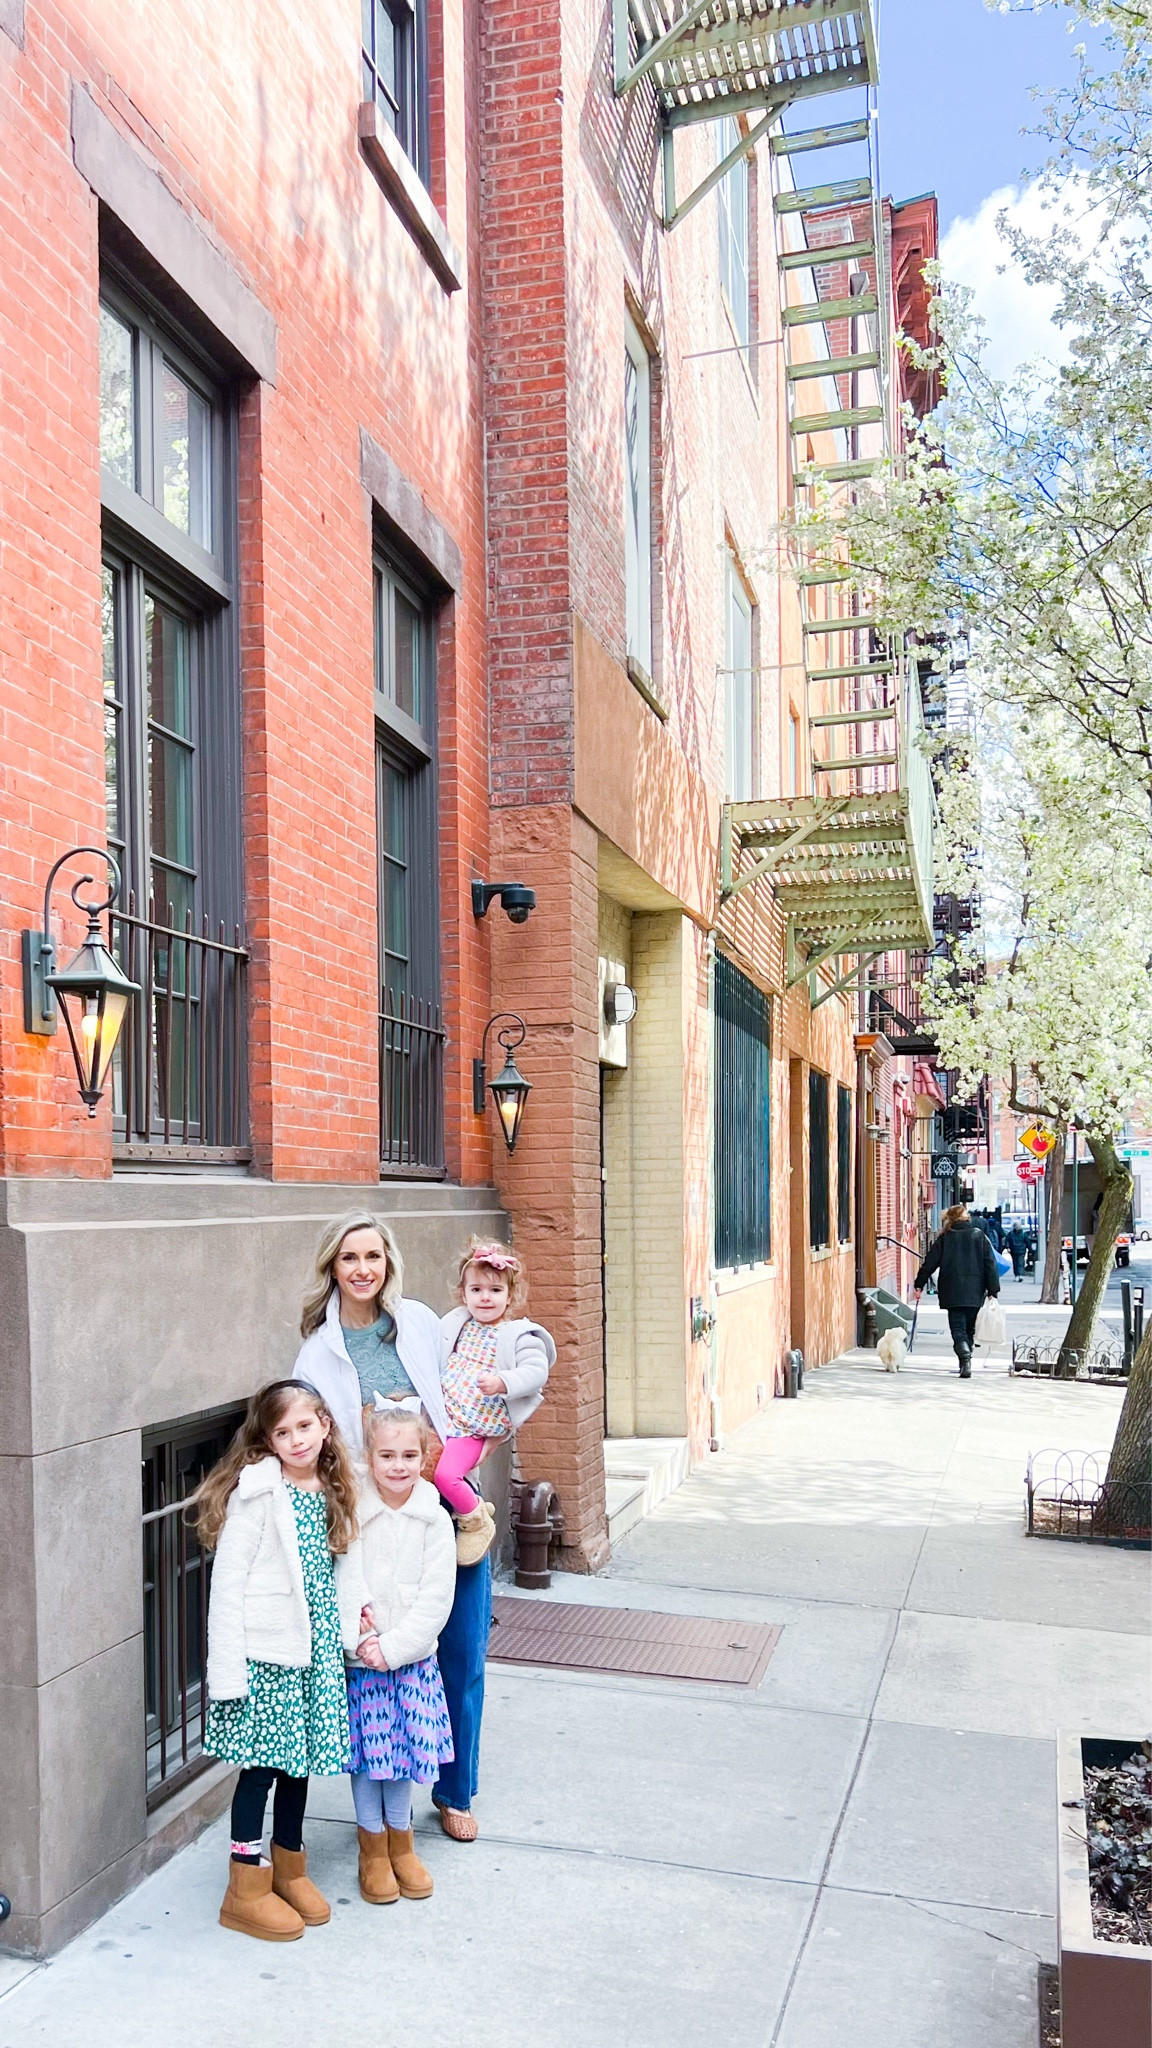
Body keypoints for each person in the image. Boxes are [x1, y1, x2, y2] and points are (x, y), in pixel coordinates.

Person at [292, 1213, 492, 1846]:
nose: (362, 1269)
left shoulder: (422, 1324)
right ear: (332, 1267)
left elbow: (465, 1389)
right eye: (349, 1258)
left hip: (443, 1508)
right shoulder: (317, 1351)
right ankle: (381, 1817)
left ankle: (455, 1788)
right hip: (371, 1521)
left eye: (373, 1256)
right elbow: (313, 1440)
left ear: (388, 1262)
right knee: (381, 1658)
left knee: (460, 1650)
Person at [197, 1381, 363, 1942]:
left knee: (301, 1764)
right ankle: (244, 1884)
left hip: (314, 1655)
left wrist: (355, 1618)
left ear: (325, 1426)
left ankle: (289, 1864)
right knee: (263, 1768)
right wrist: (228, 1672)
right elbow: (227, 1586)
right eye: (283, 1431)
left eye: (305, 1427)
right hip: (269, 1657)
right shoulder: (259, 1493)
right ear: (267, 1440)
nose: (296, 1440)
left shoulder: (335, 1486)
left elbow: (344, 1567)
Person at [348, 1399, 456, 1905]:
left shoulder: (432, 1519)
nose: (397, 1466)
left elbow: (437, 1598)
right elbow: (341, 1581)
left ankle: (402, 1842)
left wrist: (393, 1648)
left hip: (409, 1662)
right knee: (371, 1760)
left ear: (424, 1456)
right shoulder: (354, 1512)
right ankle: (372, 1848)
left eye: (408, 1456)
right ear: (369, 1458)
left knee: (404, 1754)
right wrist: (361, 1640)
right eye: (386, 1456)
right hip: (361, 1662)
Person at [436, 1239, 555, 1567]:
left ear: (510, 1296)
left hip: (474, 1429)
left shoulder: (517, 1335)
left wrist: (504, 1382)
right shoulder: (456, 1326)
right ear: (463, 1294)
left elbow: (536, 1372)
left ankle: (475, 1519)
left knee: (446, 1475)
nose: (485, 1298)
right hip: (445, 1418)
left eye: (495, 1290)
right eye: (476, 1290)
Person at [913, 1203, 1001, 1378]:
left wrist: (919, 1284)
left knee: (957, 1329)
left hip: (952, 1290)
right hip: (975, 1290)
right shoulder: (979, 1236)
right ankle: (966, 1360)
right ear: (966, 1218)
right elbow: (990, 1264)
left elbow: (929, 1263)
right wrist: (993, 1290)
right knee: (969, 1329)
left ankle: (964, 1358)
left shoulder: (944, 1238)